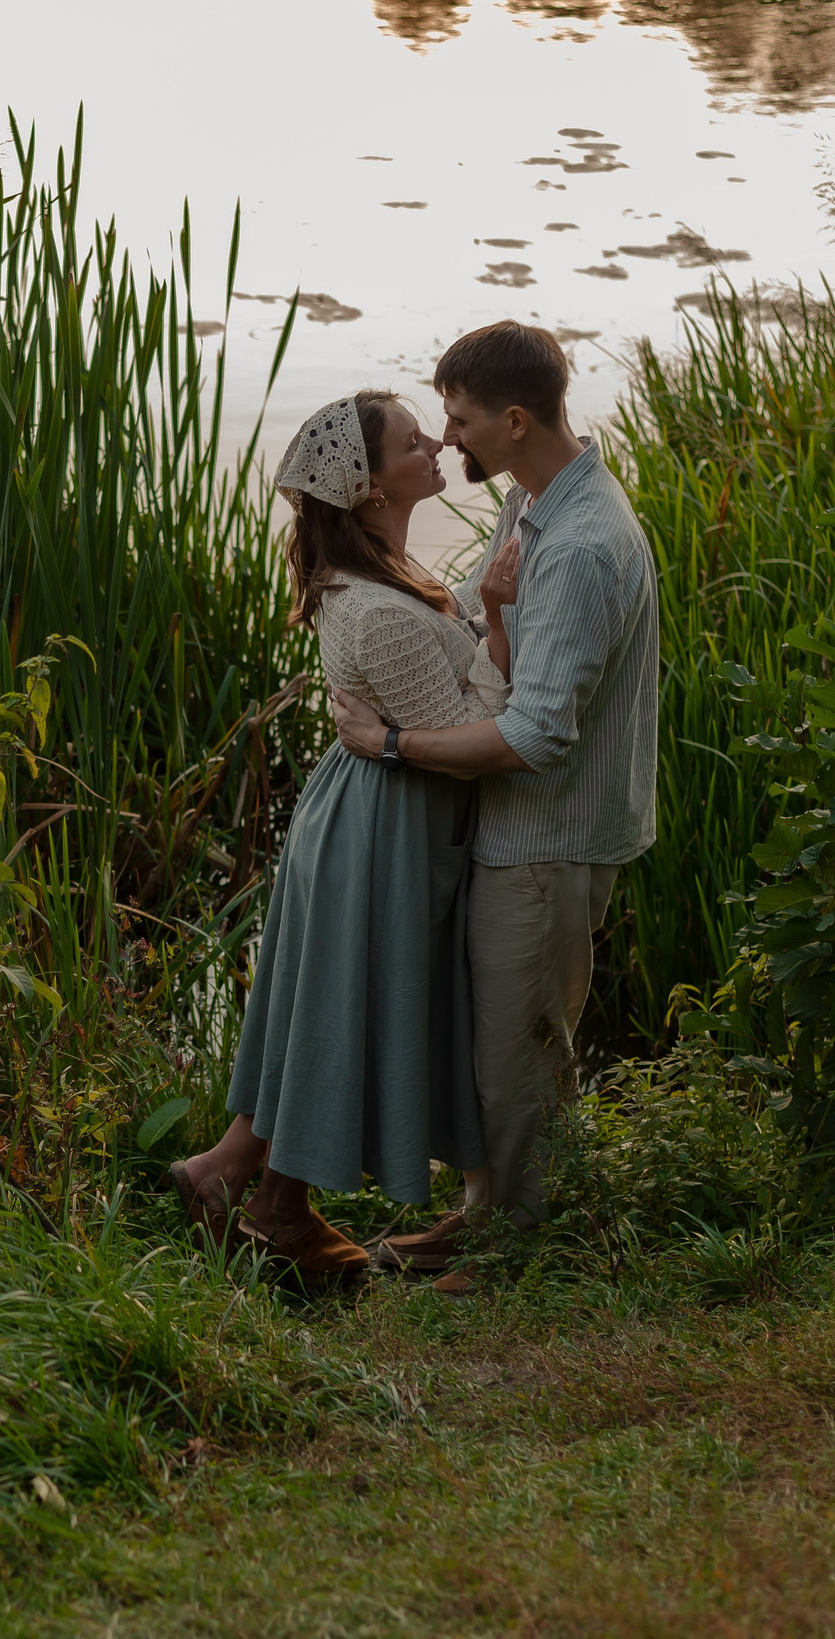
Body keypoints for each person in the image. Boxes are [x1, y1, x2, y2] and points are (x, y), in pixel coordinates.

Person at [168, 389, 523, 1284]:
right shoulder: (380, 612)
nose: (436, 442)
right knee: (346, 1004)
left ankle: (262, 1196)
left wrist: (478, 617)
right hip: (384, 826)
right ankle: (241, 1185)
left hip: (370, 812)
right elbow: (472, 738)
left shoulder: (382, 576)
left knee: (332, 1002)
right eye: (413, 441)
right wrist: (504, 617)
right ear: (368, 487)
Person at [331, 322, 660, 1283]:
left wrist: (389, 743)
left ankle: (522, 1247)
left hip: (546, 836)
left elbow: (533, 735)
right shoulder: (533, 500)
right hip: (510, 832)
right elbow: (493, 643)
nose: (448, 438)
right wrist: (492, 617)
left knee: (521, 1052)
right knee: (493, 1042)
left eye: (461, 419)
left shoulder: (585, 543)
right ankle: (481, 1219)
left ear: (514, 419)